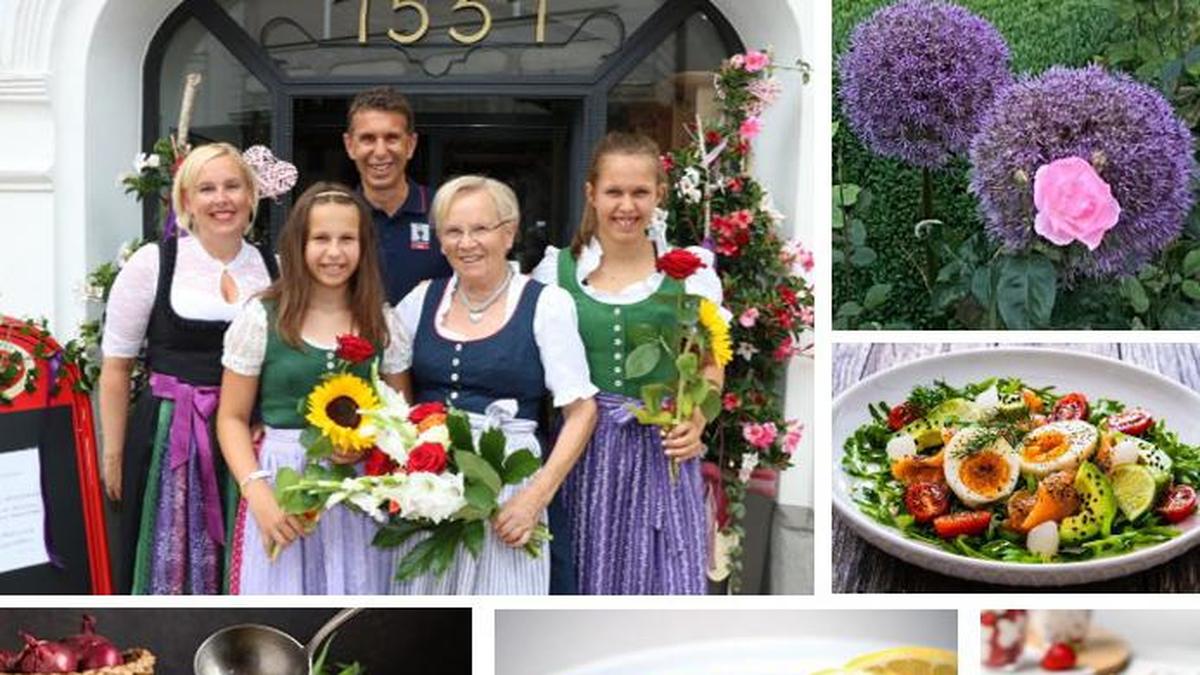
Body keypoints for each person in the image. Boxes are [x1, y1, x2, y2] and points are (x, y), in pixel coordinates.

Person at [532, 131, 726, 594]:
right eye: (614, 191)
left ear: (659, 194)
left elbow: (710, 362)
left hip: (664, 449)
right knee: (585, 572)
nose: (626, 205)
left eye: (640, 192)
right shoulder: (555, 272)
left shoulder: (691, 272)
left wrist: (696, 421)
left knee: (668, 578)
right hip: (584, 452)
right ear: (591, 194)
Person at [392, 175, 597, 594]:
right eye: (454, 231)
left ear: (508, 233)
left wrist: (534, 499)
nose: (467, 242)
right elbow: (392, 397)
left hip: (511, 486)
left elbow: (582, 412)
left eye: (480, 229)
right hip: (430, 490)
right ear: (441, 241)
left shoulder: (546, 304)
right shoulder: (419, 301)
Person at [99, 142, 277, 594]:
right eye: (207, 188)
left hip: (245, 439)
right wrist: (113, 454)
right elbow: (117, 367)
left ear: (251, 195)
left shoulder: (274, 268)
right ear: (186, 201)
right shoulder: (153, 264)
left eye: (233, 186)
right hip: (168, 434)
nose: (222, 199)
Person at [217, 182, 412, 594]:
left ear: (364, 247)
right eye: (321, 239)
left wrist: (370, 444)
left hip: (356, 491)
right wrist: (259, 495)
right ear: (298, 245)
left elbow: (401, 417)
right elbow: (232, 418)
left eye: (347, 239)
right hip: (281, 482)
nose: (335, 253)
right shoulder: (263, 317)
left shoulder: (382, 323)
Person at [343, 87, 451, 304]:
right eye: (368, 139)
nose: (380, 151)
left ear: (410, 145)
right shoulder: (337, 216)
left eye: (392, 138)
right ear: (350, 146)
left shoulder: (445, 211)